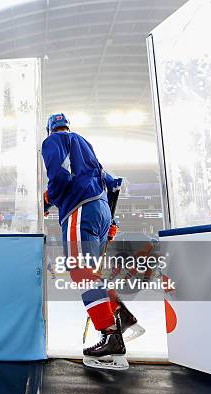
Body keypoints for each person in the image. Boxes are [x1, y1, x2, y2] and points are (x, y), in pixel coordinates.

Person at [41, 113, 144, 370]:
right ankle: (123, 317)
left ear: (50, 129)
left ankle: (111, 336)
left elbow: (60, 177)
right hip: (100, 212)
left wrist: (47, 199)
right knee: (93, 275)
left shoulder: (54, 141)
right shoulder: (86, 148)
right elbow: (113, 183)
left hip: (80, 208)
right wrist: (111, 222)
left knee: (81, 271)